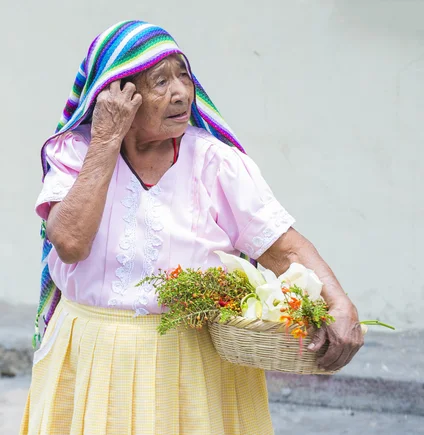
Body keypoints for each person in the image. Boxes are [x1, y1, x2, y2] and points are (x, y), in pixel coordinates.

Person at [21, 20, 363, 435]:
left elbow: (281, 247)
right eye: (160, 81)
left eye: (183, 74)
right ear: (117, 94)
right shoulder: (76, 153)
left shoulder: (216, 163)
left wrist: (340, 303)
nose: (181, 91)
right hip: (94, 358)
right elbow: (70, 242)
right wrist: (107, 141)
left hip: (193, 364)